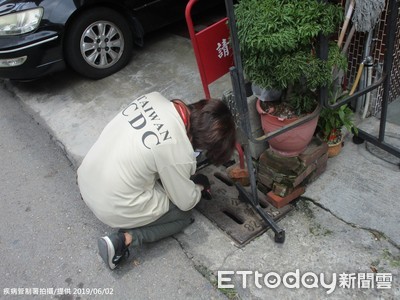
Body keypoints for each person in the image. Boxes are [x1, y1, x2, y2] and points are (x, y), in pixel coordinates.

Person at [77, 92, 236, 269]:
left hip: (87, 176)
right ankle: (125, 240)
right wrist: (198, 185)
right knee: (183, 216)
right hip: (110, 204)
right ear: (204, 143)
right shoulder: (178, 149)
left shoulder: (154, 98)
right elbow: (186, 201)